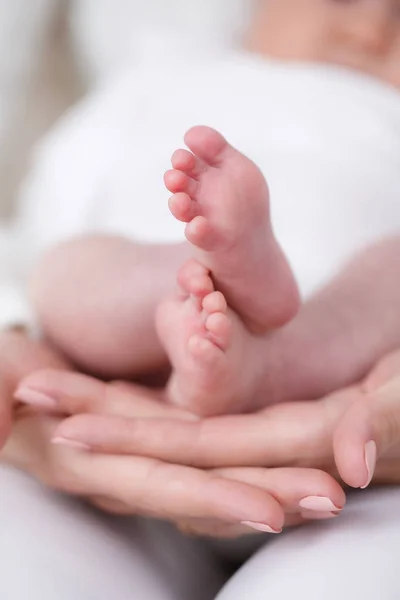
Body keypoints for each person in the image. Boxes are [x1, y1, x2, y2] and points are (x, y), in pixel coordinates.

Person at [1, 1, 400, 599]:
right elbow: (36, 227)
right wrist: (15, 328)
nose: (368, 28)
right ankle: (204, 283)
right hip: (133, 352)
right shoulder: (149, 91)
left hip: (346, 387)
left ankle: (264, 350)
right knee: (65, 270)